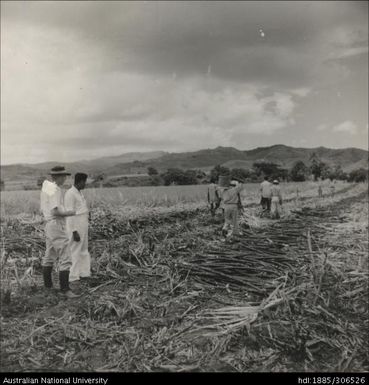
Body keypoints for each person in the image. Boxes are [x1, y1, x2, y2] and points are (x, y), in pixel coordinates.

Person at [40, 166, 79, 298]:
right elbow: (55, 211)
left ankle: (48, 287)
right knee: (65, 256)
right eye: (63, 176)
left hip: (49, 225)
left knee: (49, 255)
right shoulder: (55, 190)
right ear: (56, 177)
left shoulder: (46, 187)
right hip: (56, 224)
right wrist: (72, 212)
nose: (65, 178)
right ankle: (65, 289)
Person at [65, 173, 91, 285]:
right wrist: (74, 231)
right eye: (84, 182)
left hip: (83, 223)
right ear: (79, 181)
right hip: (76, 224)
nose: (85, 184)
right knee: (75, 250)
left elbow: (81, 209)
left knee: (84, 249)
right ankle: (73, 276)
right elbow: (69, 214)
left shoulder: (79, 193)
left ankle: (84, 273)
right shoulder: (70, 194)